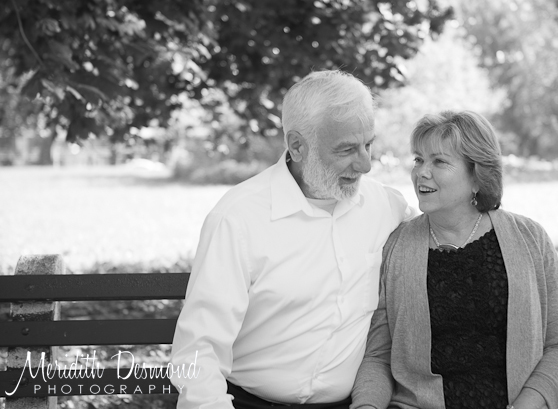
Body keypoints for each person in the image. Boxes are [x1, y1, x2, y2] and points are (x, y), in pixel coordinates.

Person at [169, 70, 414, 409]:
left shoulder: (384, 206)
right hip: (248, 403)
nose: (365, 164)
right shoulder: (238, 219)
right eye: (347, 149)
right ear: (297, 146)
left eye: (368, 145)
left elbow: (444, 233)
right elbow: (199, 349)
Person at [351, 110, 558, 409]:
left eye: (439, 161)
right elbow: (379, 356)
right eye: (419, 159)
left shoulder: (529, 238)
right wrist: (367, 405)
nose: (421, 172)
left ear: (477, 176)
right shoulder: (397, 247)